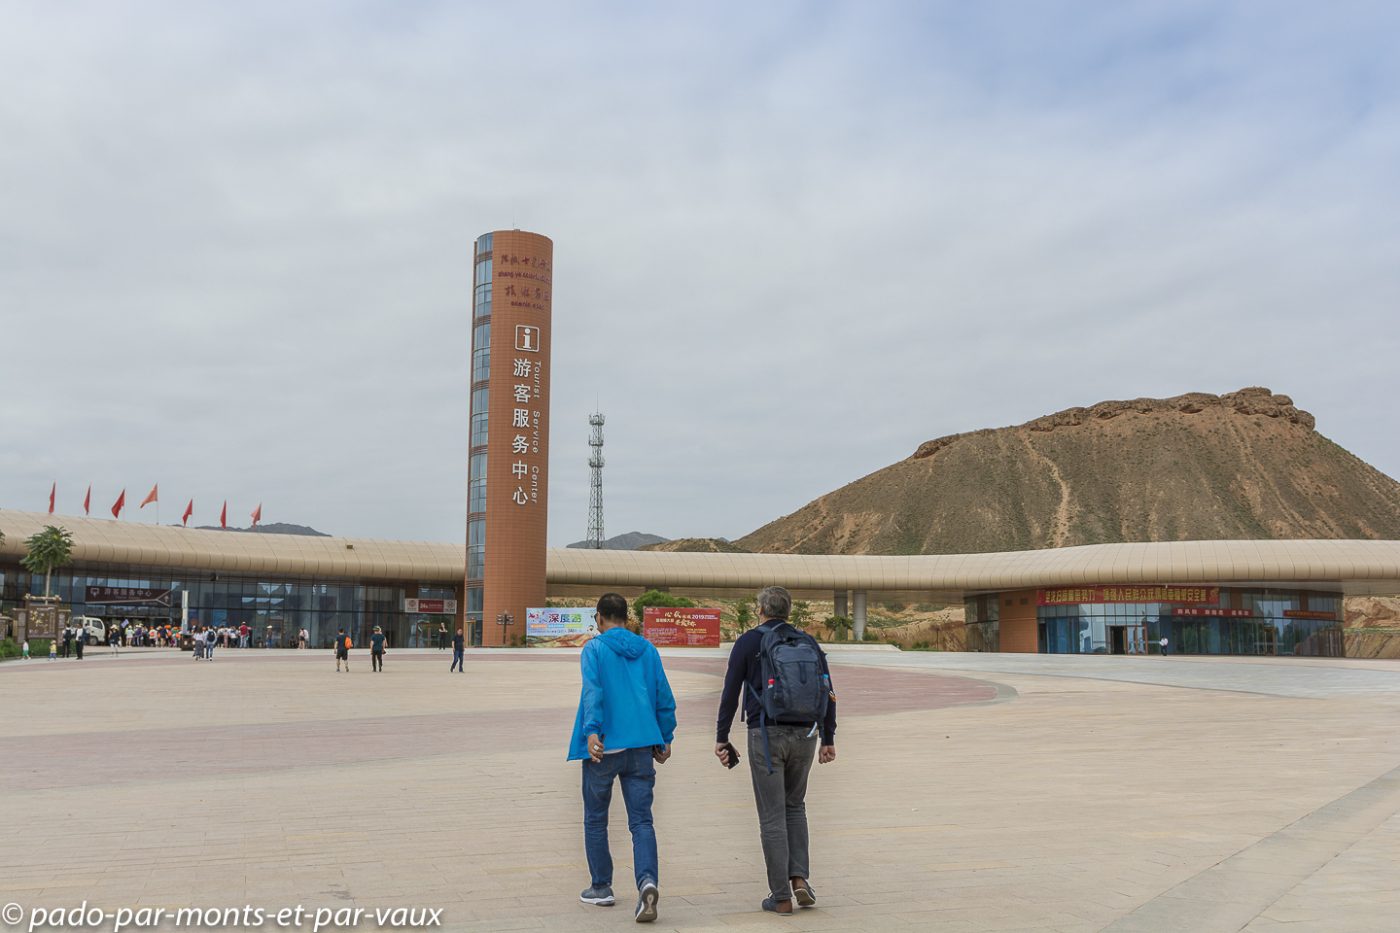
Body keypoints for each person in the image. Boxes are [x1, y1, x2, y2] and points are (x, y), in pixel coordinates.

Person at [716, 586, 837, 915]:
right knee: (795, 807)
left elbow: (730, 692)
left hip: (766, 736)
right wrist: (828, 738)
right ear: (788, 611)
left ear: (760, 610)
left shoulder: (748, 642)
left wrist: (721, 736)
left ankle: (780, 896)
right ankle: (799, 880)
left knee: (771, 816)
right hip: (806, 736)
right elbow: (827, 689)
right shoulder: (808, 642)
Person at [568, 593, 676, 923]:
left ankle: (601, 887)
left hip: (605, 748)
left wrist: (592, 732)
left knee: (596, 818)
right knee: (641, 821)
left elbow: (594, 692)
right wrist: (665, 736)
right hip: (642, 746)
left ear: (600, 618)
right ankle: (647, 882)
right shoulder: (648, 650)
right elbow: (663, 696)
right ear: (626, 618)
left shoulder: (595, 649)